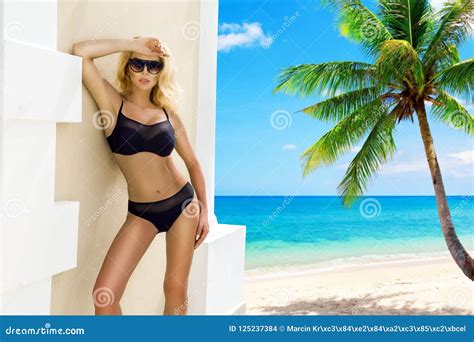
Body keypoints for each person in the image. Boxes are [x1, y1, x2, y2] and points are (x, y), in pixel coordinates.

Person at [72, 36, 209, 315]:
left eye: (154, 66)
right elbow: (81, 53)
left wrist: (206, 211)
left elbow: (193, 163)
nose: (146, 72)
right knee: (105, 294)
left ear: (162, 72)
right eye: (138, 63)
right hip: (141, 213)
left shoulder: (168, 114)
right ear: (128, 66)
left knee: (175, 289)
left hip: (184, 205)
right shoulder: (112, 104)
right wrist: (131, 42)